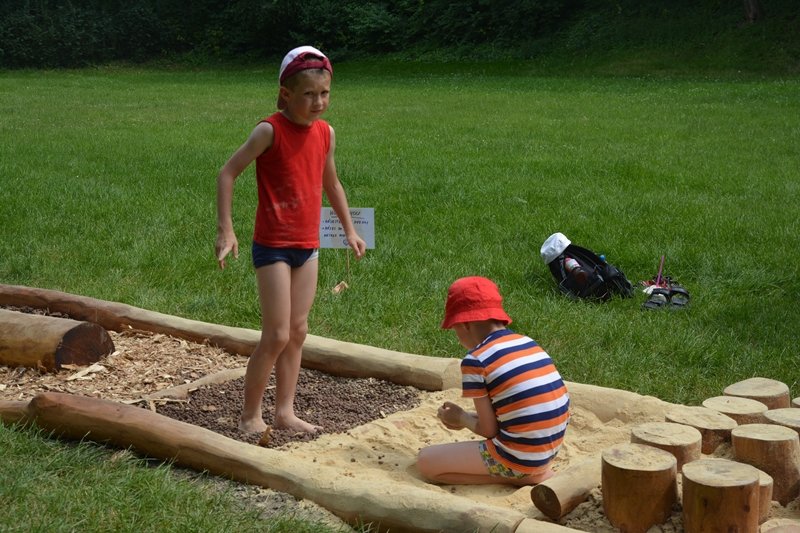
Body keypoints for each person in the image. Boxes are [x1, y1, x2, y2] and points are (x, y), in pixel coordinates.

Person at [215, 45, 366, 434]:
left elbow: (331, 182)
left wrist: (350, 230)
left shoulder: (325, 133)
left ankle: (284, 413)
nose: (318, 103)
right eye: (309, 94)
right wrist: (226, 229)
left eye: (325, 93)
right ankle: (250, 415)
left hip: (307, 246)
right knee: (277, 333)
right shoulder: (269, 130)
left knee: (298, 331)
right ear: (286, 93)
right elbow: (227, 173)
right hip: (273, 246)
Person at [417, 276, 570, 486]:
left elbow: (489, 430)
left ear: (465, 324)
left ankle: (515, 477)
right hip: (548, 450)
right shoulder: (527, 343)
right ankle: (526, 471)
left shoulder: (476, 360)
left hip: (518, 458)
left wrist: (461, 418)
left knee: (427, 463)